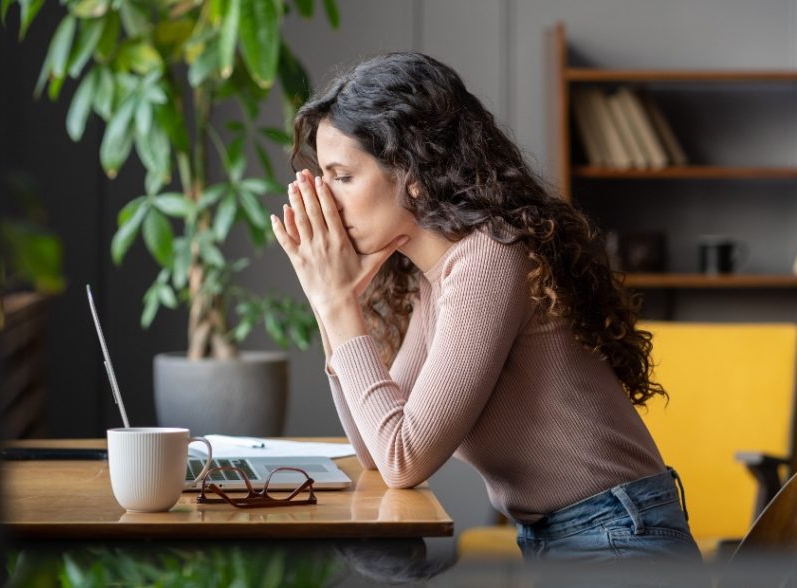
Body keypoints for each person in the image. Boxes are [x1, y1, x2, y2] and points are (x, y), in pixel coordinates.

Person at [270, 51, 703, 566]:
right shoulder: (436, 280)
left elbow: (403, 458)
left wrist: (336, 301)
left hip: (619, 539)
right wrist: (332, 304)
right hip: (576, 540)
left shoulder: (489, 259)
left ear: (411, 171)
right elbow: (376, 451)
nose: (328, 202)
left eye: (342, 177)